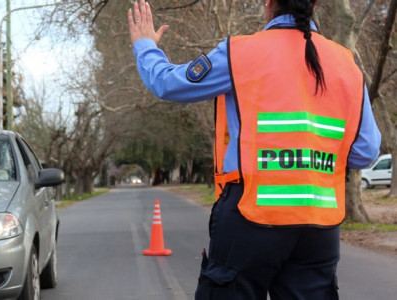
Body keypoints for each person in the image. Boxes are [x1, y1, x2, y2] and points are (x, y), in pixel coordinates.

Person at [128, 0, 382, 299]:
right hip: (319, 223)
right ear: (314, 4)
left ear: (268, 3)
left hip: (251, 213)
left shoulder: (240, 52)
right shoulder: (347, 63)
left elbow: (169, 83)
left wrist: (145, 46)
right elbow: (366, 151)